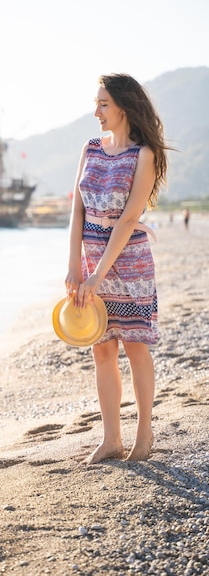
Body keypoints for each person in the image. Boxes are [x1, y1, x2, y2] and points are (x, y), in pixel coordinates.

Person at [65, 73, 169, 464]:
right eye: (96, 104)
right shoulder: (90, 148)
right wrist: (75, 267)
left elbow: (128, 220)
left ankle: (144, 435)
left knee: (135, 346)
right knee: (102, 350)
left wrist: (97, 274)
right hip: (91, 260)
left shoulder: (144, 155)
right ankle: (111, 439)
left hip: (128, 263)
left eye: (103, 104)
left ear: (124, 106)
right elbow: (76, 209)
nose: (96, 112)